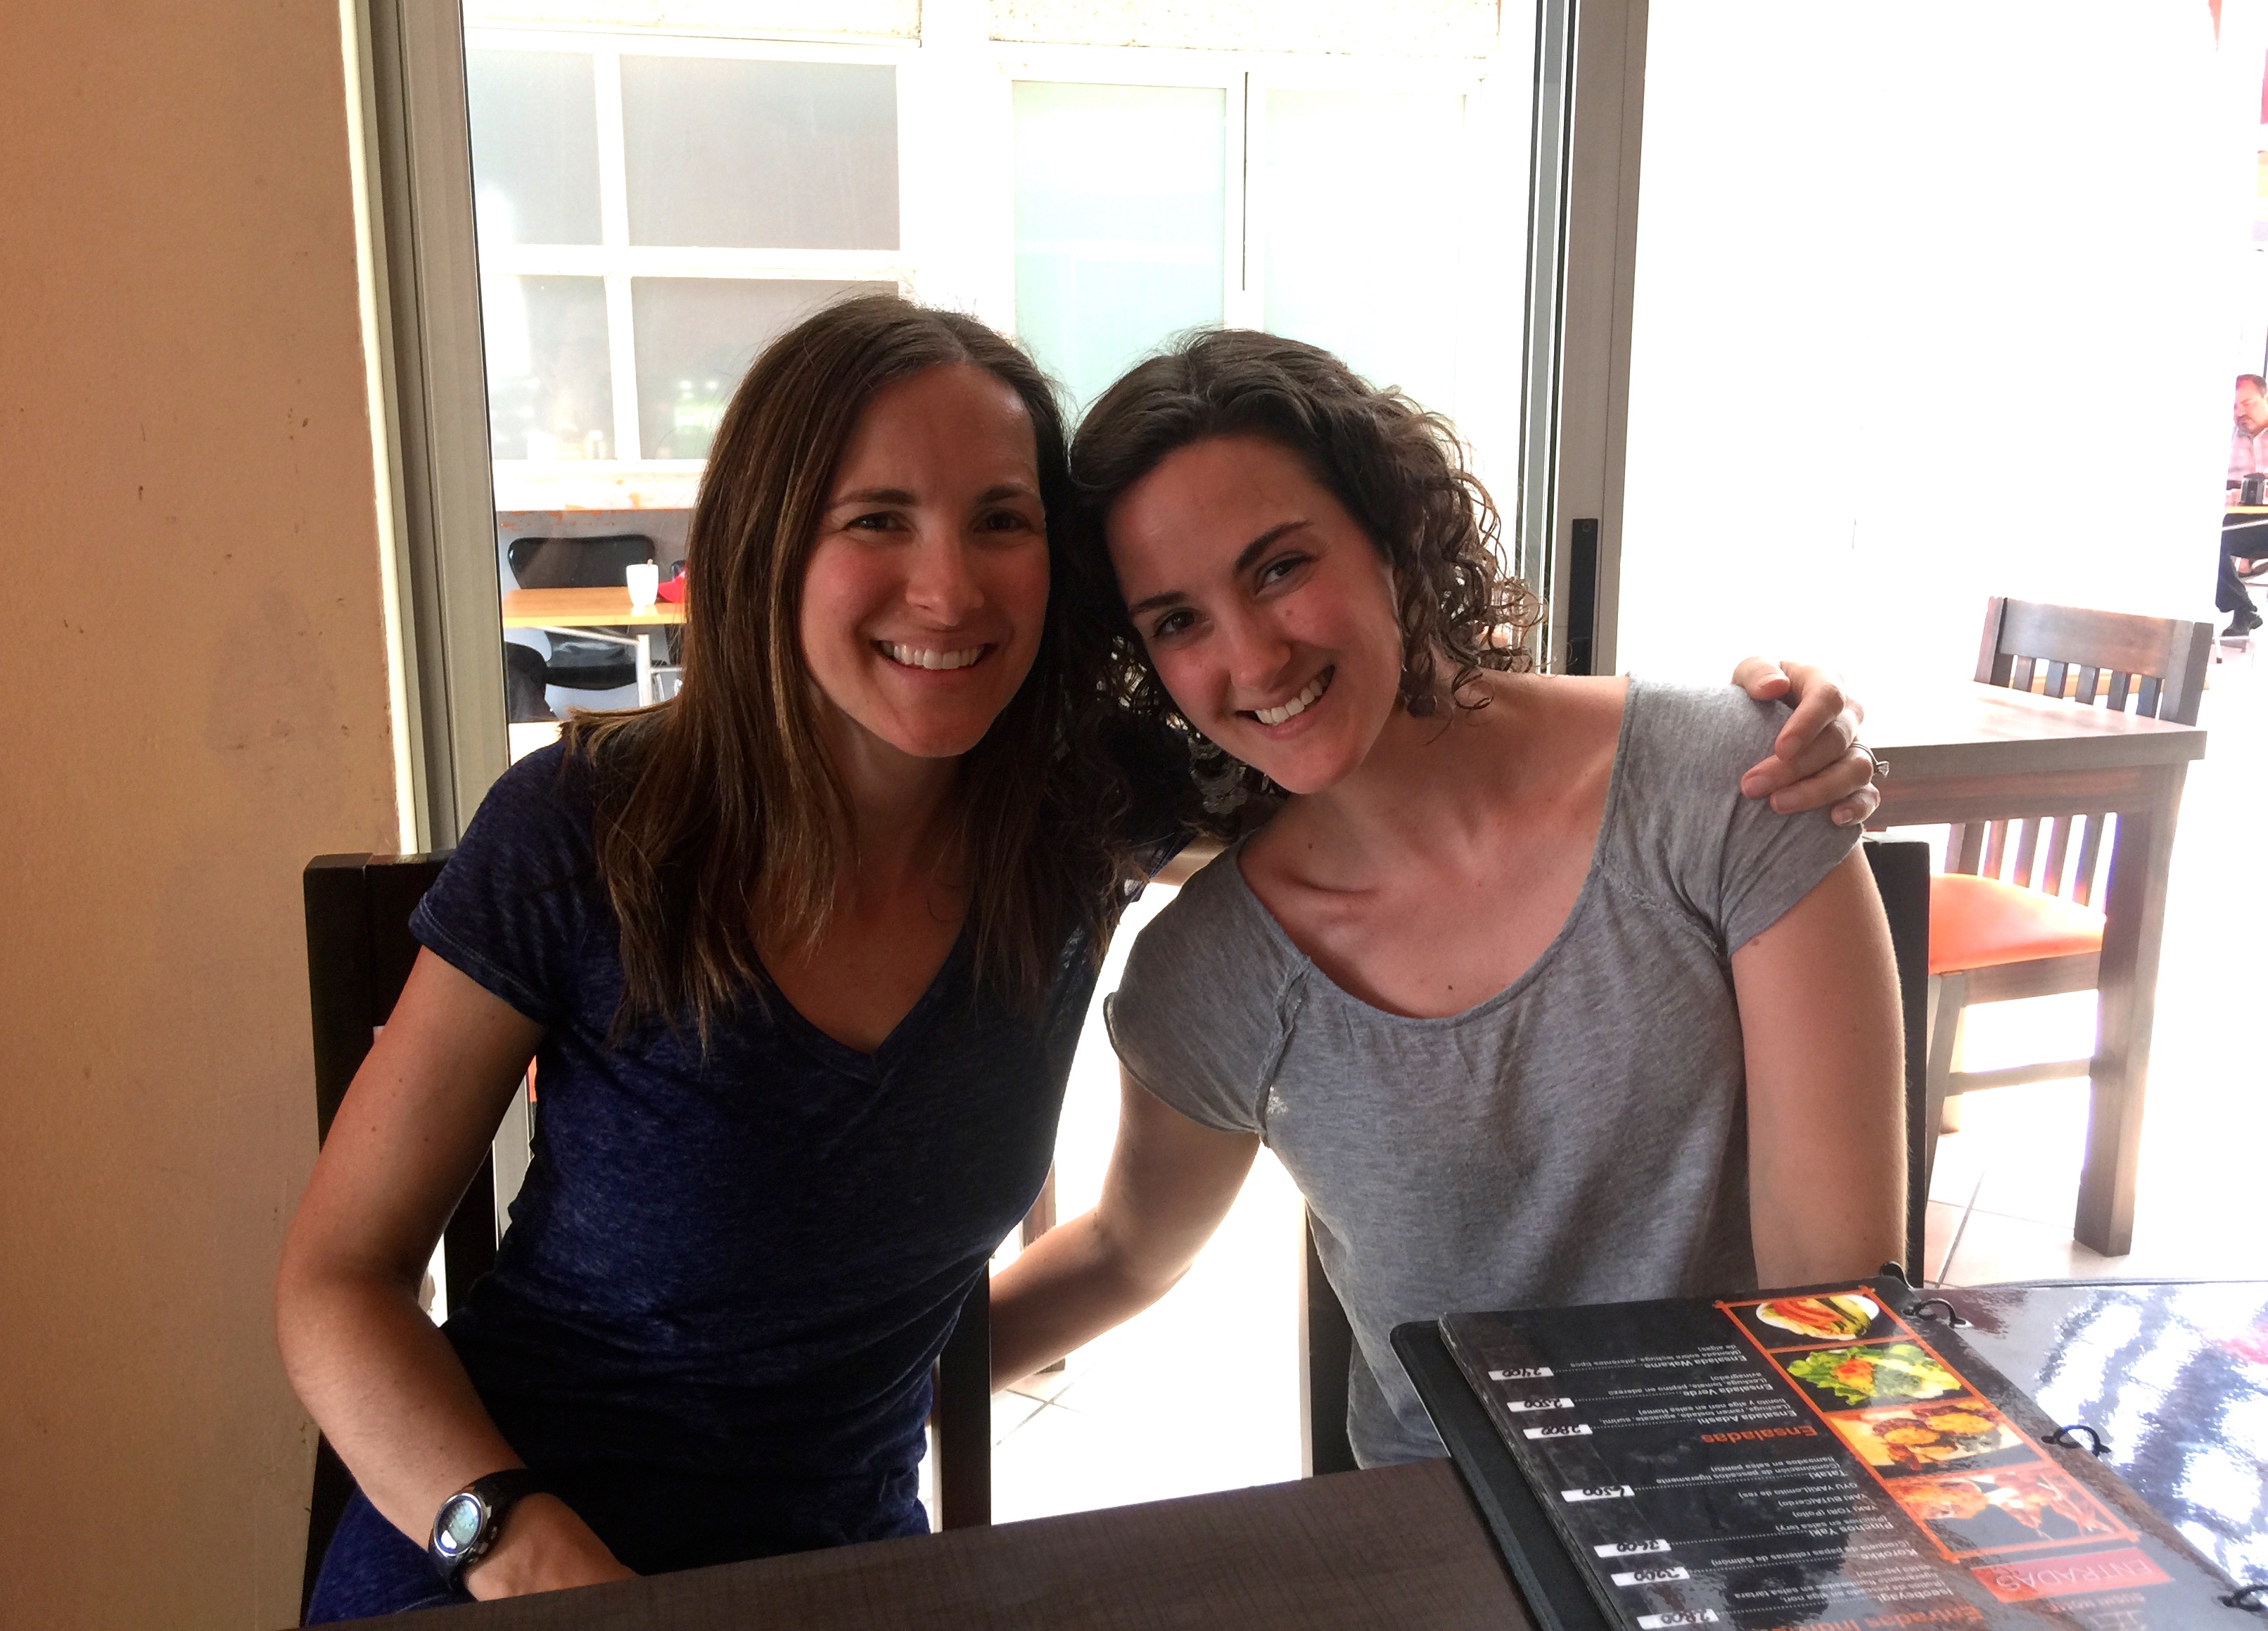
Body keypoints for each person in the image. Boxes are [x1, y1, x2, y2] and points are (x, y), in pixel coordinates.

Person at [275, 298, 1880, 1616]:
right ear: (771, 544)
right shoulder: (591, 829)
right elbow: (335, 1278)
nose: (945, 584)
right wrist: (514, 1536)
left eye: (1001, 522)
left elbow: (1383, 754)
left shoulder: (1074, 828)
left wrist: (1777, 733)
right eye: (875, 520)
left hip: (843, 1554)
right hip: (498, 1548)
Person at [988, 329, 1906, 1468]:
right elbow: (1128, 1248)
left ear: (1393, 533)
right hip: (1442, 1538)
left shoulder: (1735, 777)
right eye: (1176, 620)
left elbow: (1834, 1303)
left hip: (1747, 1502)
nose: (1253, 659)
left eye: (1278, 567)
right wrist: (835, 1402)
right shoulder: (1211, 971)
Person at [2219, 374, 2268, 637]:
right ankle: (2242, 608)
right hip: (2238, 522)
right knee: (2202, 539)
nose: (2240, 412)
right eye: (2235, 406)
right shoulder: (2224, 440)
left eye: (2247, 404)